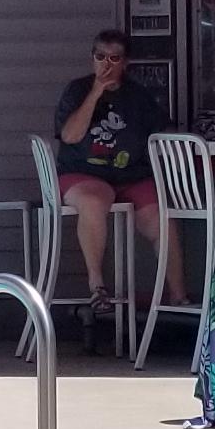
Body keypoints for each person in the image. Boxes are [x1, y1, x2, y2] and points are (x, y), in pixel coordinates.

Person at [51, 28, 158, 303]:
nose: (106, 64)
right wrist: (95, 93)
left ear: (125, 63)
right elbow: (70, 135)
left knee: (160, 216)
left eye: (114, 58)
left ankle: (180, 298)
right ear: (92, 58)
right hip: (82, 173)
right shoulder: (77, 90)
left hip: (130, 175)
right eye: (100, 57)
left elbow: (160, 134)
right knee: (94, 201)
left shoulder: (139, 96)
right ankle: (97, 286)